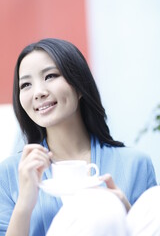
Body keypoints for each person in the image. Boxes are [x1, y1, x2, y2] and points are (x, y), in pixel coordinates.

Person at [0, 38, 157, 236]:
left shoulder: (136, 164)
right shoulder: (10, 173)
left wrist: (128, 213)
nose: (38, 92)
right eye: (26, 85)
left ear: (79, 85)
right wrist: (24, 203)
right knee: (102, 204)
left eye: (50, 76)